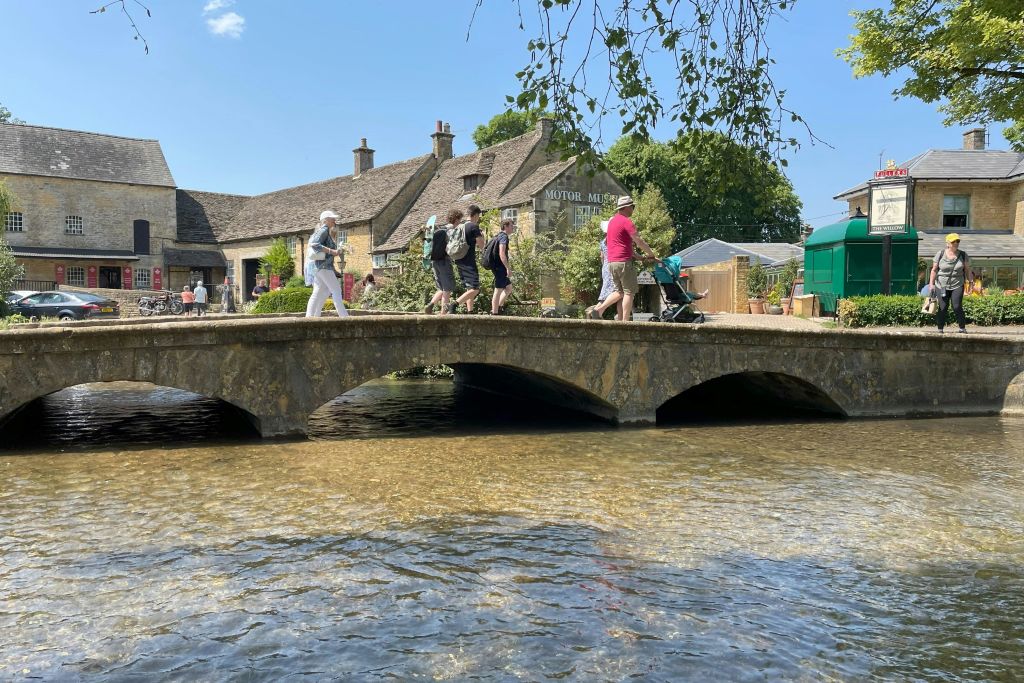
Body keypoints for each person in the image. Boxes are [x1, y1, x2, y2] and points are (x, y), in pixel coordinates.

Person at [586, 195, 658, 322]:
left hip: (612, 263)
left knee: (619, 292)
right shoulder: (626, 222)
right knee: (629, 292)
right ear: (626, 207)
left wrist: (640, 257)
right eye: (632, 206)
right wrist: (651, 254)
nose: (633, 209)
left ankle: (599, 310)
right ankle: (625, 322)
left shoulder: (612, 222)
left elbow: (617, 245)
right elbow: (639, 241)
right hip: (624, 262)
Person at [305, 209, 350, 318]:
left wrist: (338, 251)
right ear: (325, 220)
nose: (334, 220)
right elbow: (315, 244)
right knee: (336, 290)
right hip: (324, 266)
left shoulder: (325, 230)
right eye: (332, 218)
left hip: (321, 267)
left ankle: (311, 317)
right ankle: (344, 317)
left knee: (321, 291)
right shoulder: (324, 230)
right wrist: (332, 251)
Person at [928, 232, 969, 333]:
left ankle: (962, 328)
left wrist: (971, 281)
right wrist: (931, 284)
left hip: (957, 283)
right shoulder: (940, 253)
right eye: (953, 241)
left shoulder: (963, 255)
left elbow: (967, 270)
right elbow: (934, 270)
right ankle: (940, 329)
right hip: (941, 284)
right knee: (943, 307)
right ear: (947, 243)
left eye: (957, 241)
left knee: (957, 306)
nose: (956, 243)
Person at [448, 204, 485, 314]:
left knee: (469, 287)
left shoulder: (461, 226)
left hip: (458, 259)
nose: (478, 218)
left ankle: (470, 311)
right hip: (468, 260)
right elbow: (482, 245)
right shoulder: (473, 227)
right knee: (475, 288)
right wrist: (482, 236)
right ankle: (454, 304)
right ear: (476, 215)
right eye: (478, 216)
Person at [424, 210, 459, 315]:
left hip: (434, 261)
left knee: (441, 288)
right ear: (456, 220)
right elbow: (452, 247)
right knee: (447, 288)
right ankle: (443, 313)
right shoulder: (451, 230)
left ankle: (430, 304)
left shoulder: (439, 229)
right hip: (444, 261)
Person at [488, 219, 516, 315]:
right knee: (498, 289)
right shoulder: (504, 237)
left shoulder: (498, 235)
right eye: (512, 226)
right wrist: (507, 268)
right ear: (506, 226)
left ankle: (499, 307)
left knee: (508, 288)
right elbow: (502, 253)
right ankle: (494, 312)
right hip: (500, 267)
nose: (513, 228)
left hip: (497, 266)